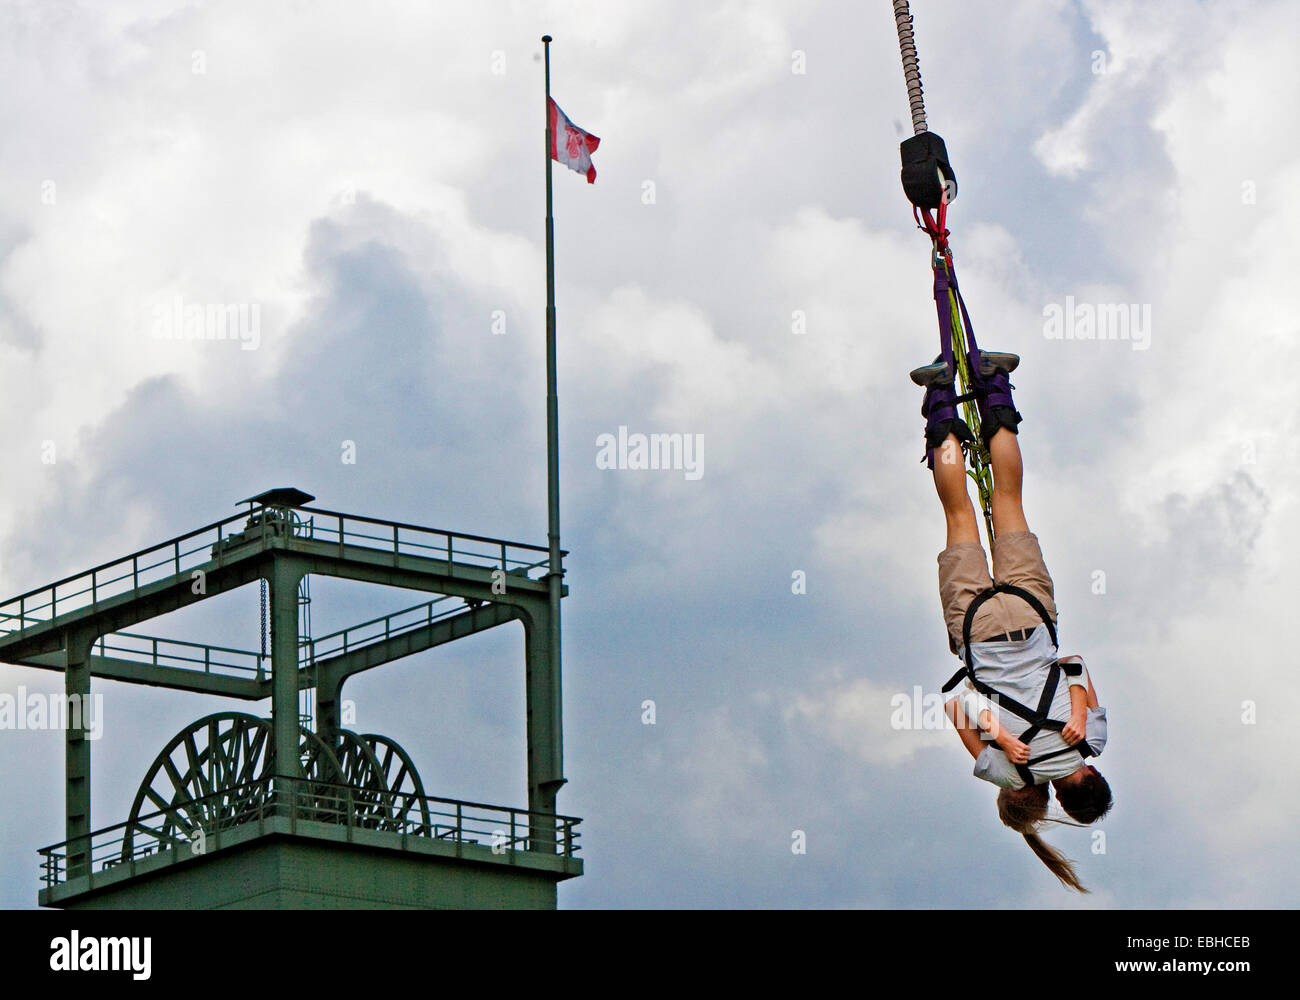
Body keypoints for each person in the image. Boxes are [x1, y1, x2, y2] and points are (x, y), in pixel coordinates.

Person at [912, 351, 1112, 891]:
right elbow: (957, 705)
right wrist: (1000, 730)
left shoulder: (1090, 741)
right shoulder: (1008, 771)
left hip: (1031, 615)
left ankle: (995, 386)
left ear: (1090, 777)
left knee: (1008, 500)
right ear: (1057, 795)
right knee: (960, 517)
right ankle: (936, 398)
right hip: (975, 634)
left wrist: (1070, 709)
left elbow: (1072, 664)